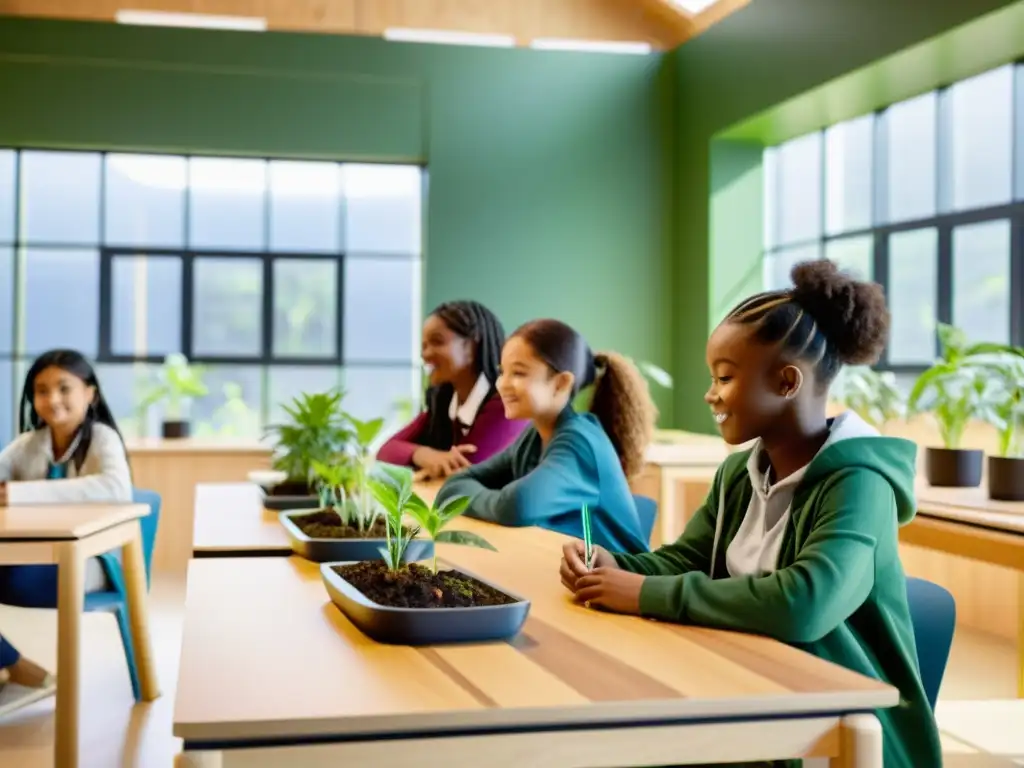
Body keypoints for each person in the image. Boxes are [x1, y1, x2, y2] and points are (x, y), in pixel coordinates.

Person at [559, 261, 941, 768]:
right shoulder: (740, 473)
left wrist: (646, 594)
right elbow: (688, 558)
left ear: (786, 382)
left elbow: (805, 604)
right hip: (757, 695)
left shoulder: (860, 483)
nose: (710, 394)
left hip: (840, 731)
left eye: (725, 377)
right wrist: (618, 568)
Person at [437, 318, 655, 554]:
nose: (502, 384)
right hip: (566, 569)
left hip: (616, 582)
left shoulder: (579, 442)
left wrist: (482, 498)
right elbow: (453, 486)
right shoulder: (534, 435)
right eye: (502, 372)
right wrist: (492, 500)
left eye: (518, 373)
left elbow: (516, 506)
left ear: (561, 383)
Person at [0, 349, 132, 717]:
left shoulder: (103, 439)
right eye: (42, 390)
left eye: (64, 388)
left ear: (90, 393)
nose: (52, 399)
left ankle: (13, 665)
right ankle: (14, 663)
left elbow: (115, 488)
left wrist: (19, 494)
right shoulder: (29, 444)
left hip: (85, 567)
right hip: (27, 561)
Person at [377, 300, 528, 479]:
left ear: (472, 345)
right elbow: (386, 451)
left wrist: (427, 462)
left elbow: (463, 472)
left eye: (437, 341)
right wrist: (425, 455)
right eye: (424, 346)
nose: (424, 354)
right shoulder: (444, 404)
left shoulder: (505, 406)